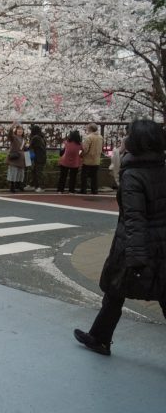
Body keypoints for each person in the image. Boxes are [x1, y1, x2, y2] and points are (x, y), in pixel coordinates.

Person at [74, 120, 166, 356]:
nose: (123, 139)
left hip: (134, 245)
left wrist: (136, 258)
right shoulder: (160, 167)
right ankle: (99, 336)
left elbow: (135, 218)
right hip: (157, 243)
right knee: (116, 292)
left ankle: (100, 338)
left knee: (118, 289)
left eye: (127, 135)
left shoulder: (133, 175)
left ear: (138, 142)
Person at [80, 123, 104, 194]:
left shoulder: (88, 137)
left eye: (87, 128)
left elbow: (85, 149)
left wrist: (81, 154)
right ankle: (94, 190)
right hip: (96, 159)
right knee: (94, 177)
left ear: (90, 129)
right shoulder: (100, 137)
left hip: (88, 160)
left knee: (84, 176)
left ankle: (83, 190)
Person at [5, 124, 27, 193]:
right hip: (14, 157)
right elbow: (9, 135)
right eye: (19, 129)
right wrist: (12, 127)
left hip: (21, 158)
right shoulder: (14, 137)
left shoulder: (24, 139)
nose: (20, 131)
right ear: (16, 131)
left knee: (21, 173)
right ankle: (12, 186)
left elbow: (25, 149)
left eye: (21, 130)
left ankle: (20, 186)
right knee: (13, 172)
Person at [28, 124, 47, 192]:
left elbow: (30, 147)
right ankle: (34, 185)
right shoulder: (41, 137)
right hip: (42, 157)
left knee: (38, 172)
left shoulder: (35, 138)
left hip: (38, 158)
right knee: (35, 172)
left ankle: (41, 187)